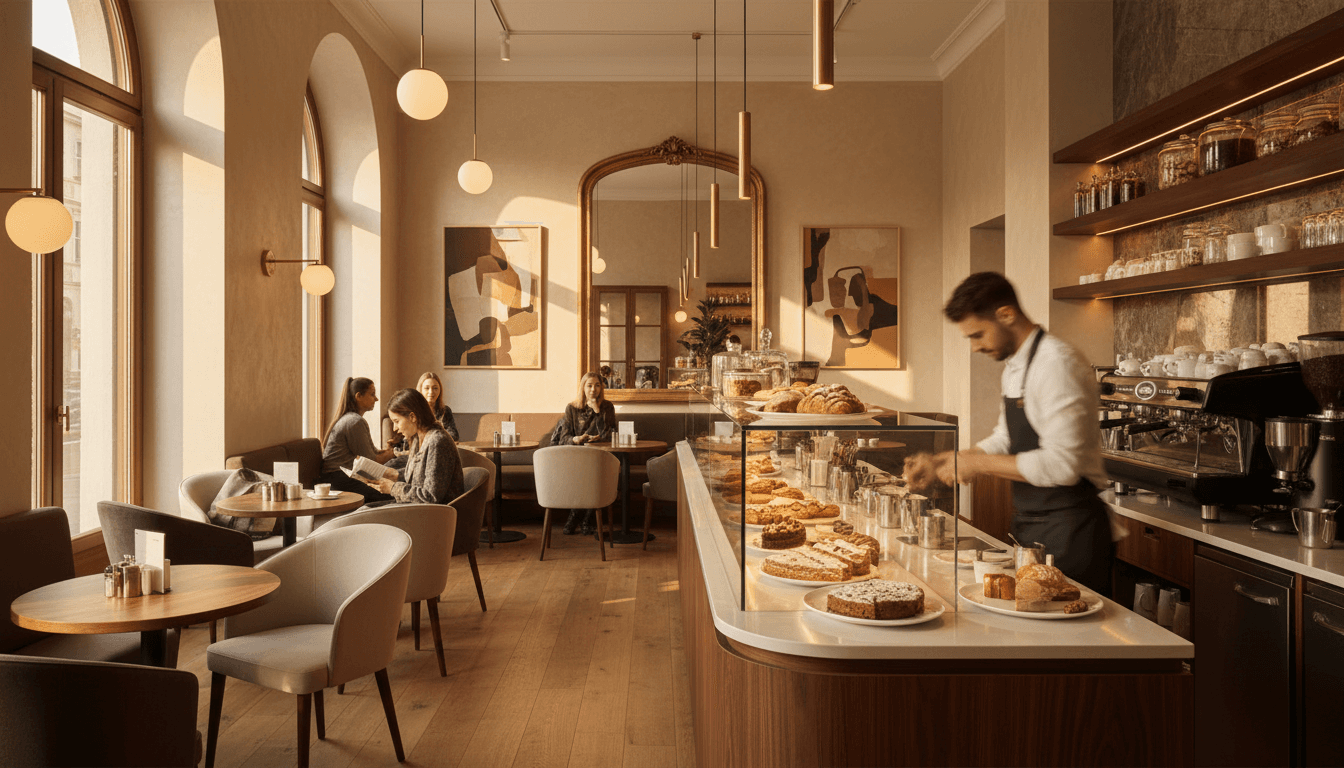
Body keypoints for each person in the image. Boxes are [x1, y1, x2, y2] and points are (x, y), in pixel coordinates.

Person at [906, 272, 1113, 595]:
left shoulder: (1056, 364)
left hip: (1072, 532)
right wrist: (943, 460)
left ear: (1006, 314)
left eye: (978, 335)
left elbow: (1063, 466)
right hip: (1032, 525)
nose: (974, 347)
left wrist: (978, 465)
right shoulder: (1017, 366)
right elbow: (1004, 439)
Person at [364, 388, 465, 505]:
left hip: (432, 515)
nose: (394, 428)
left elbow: (431, 497)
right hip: (415, 508)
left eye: (396, 421)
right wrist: (393, 475)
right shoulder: (417, 438)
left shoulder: (437, 442)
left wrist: (392, 488)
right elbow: (418, 476)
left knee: (362, 514)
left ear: (412, 417)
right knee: (364, 509)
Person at [553, 372, 617, 535]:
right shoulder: (572, 408)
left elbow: (610, 435)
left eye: (597, 385)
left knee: (594, 471)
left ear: (601, 388)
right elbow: (564, 437)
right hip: (575, 455)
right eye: (589, 385)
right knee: (588, 473)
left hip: (600, 454)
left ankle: (577, 519)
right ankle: (583, 520)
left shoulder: (607, 407)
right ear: (583, 387)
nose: (593, 389)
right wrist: (577, 439)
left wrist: (597, 411)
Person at [316, 377, 397, 504]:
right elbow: (371, 461)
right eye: (372, 394)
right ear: (358, 396)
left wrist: (388, 450)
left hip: (341, 477)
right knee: (393, 495)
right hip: (339, 480)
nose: (376, 399)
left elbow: (374, 454)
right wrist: (396, 453)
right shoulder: (354, 422)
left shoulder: (353, 419)